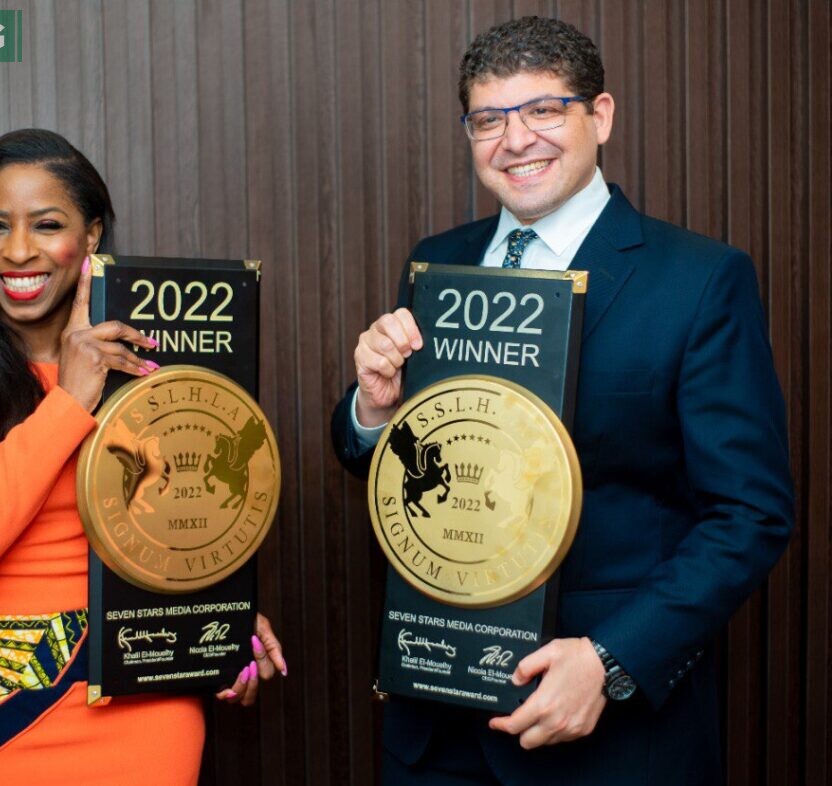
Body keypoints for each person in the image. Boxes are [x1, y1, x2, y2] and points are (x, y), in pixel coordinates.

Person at [331, 16, 793, 786]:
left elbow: (750, 514)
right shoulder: (437, 261)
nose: (516, 141)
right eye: (489, 119)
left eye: (544, 110)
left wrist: (613, 661)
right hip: (436, 730)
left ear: (599, 116)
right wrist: (376, 414)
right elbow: (409, 469)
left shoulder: (700, 279)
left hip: (606, 738)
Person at [0, 128, 286, 786]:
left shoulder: (150, 369)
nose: (18, 251)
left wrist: (218, 620)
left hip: (141, 711)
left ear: (90, 238)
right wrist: (68, 402)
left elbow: (188, 524)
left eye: (47, 224)